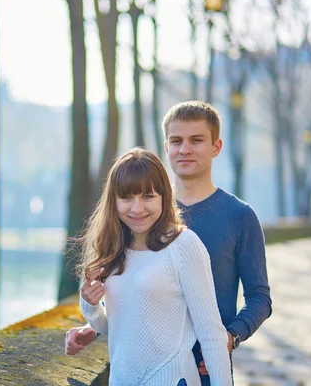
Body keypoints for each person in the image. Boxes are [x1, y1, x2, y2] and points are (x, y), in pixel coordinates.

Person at [65, 101, 272, 384]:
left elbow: (259, 297)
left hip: (207, 366)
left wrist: (231, 336)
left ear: (216, 147)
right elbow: (136, 294)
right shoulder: (141, 213)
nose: (184, 149)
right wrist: (92, 322)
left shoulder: (239, 216)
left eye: (196, 140)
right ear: (166, 147)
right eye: (176, 141)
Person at [78, 147, 232, 385]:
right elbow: (114, 327)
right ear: (114, 200)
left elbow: (212, 334)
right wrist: (90, 305)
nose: (137, 208)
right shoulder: (110, 251)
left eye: (148, 196)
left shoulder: (183, 245)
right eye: (127, 197)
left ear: (164, 196)